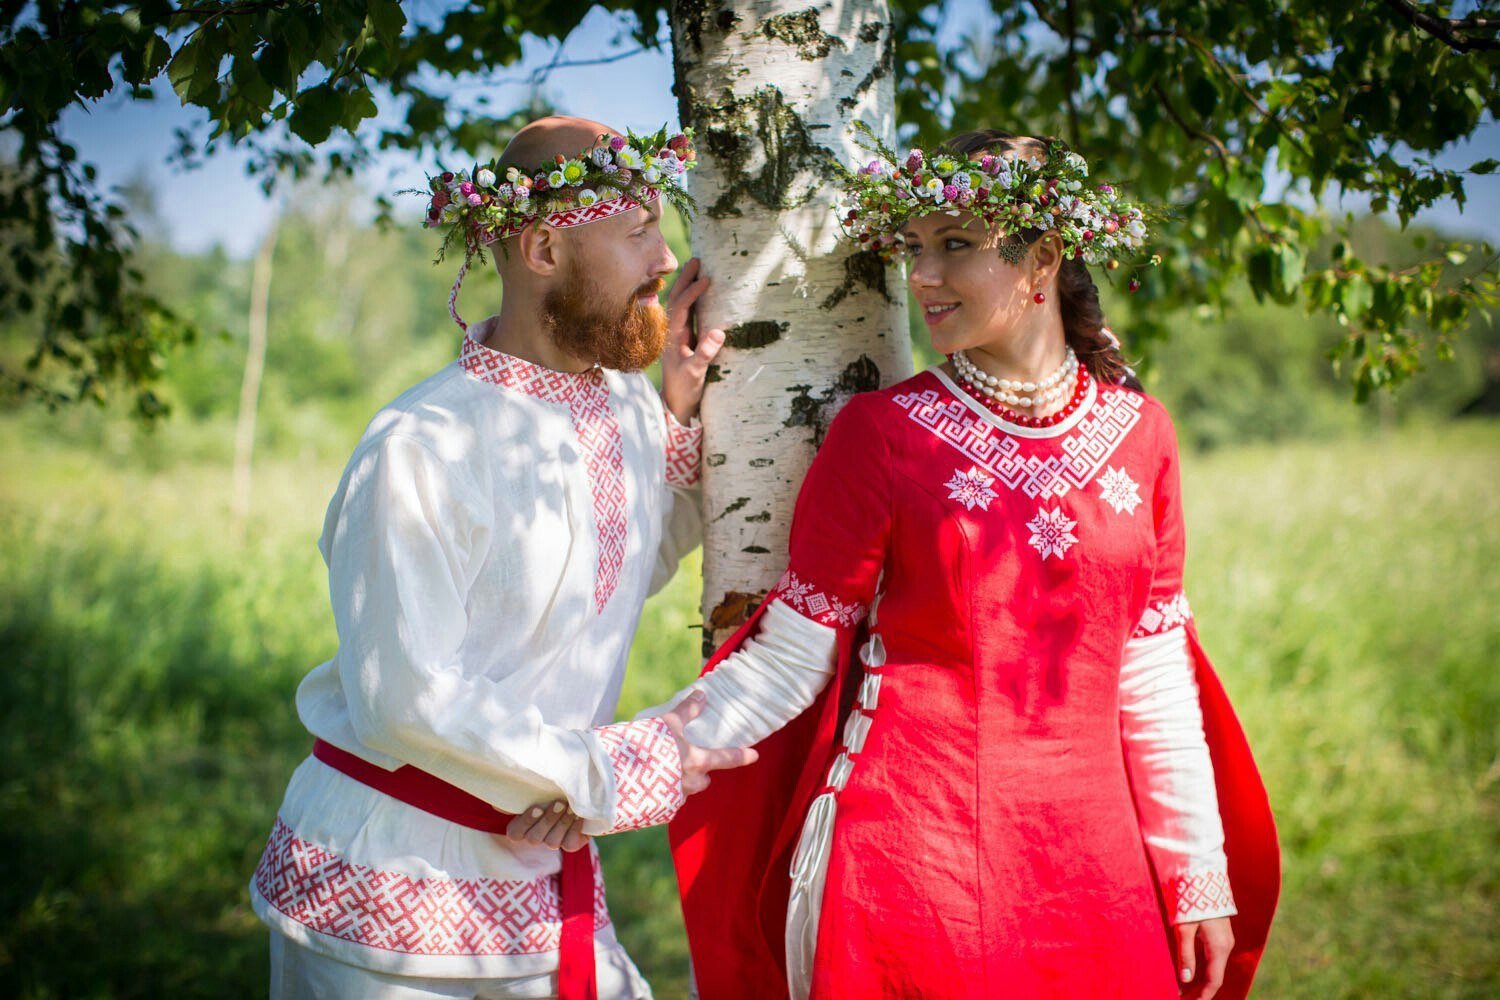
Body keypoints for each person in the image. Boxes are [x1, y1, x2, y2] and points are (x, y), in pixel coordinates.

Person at [533, 129, 1280, 999]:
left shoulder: (1143, 435)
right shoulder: (886, 436)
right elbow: (785, 662)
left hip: (1097, 875)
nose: (923, 275)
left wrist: (1196, 874)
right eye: (916, 248)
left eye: (954, 246)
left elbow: (1151, 676)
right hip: (916, 870)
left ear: (1042, 257)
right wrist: (613, 768)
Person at [247, 116, 757, 1000]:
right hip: (389, 892)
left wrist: (674, 424)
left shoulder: (625, 411)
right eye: (637, 232)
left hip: (537, 879)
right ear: (545, 249)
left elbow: (626, 573)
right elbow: (404, 696)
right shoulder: (421, 443)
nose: (666, 258)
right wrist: (604, 769)